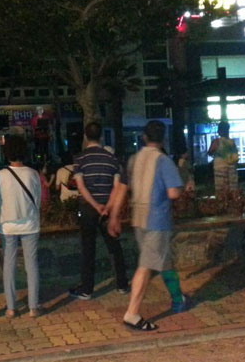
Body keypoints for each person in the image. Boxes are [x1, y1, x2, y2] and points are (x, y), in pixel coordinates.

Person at [122, 120, 187, 331]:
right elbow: (173, 193)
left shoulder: (134, 159)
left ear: (144, 137)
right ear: (163, 138)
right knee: (146, 266)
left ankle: (178, 299)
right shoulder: (163, 160)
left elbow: (124, 186)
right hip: (157, 220)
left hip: (138, 218)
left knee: (163, 260)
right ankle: (132, 313)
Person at [68, 121, 129, 299]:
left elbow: (81, 187)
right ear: (101, 136)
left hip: (88, 208)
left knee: (88, 248)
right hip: (108, 208)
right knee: (114, 246)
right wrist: (107, 207)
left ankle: (87, 289)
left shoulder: (80, 158)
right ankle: (122, 284)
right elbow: (117, 187)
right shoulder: (111, 158)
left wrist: (95, 205)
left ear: (85, 136)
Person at [0, 135, 42, 318]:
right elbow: (37, 200)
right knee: (32, 264)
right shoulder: (33, 174)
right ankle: (33, 307)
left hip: (8, 225)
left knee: (9, 264)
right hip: (30, 224)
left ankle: (11, 307)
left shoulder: (1, 175)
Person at [207, 120, 238, 198]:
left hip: (220, 168)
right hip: (232, 168)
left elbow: (210, 152)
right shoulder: (232, 142)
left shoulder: (216, 142)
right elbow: (236, 156)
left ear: (219, 131)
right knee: (232, 189)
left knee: (221, 190)